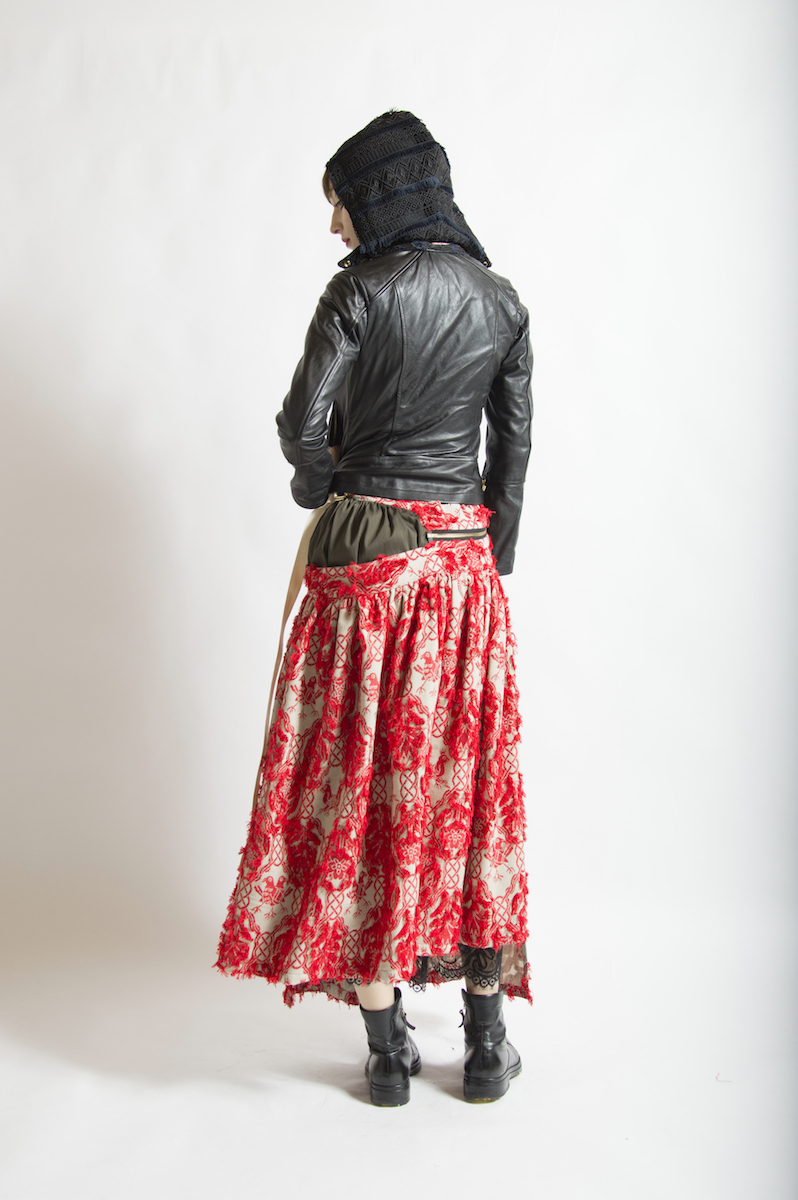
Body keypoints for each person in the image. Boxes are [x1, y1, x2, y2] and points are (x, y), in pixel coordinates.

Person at [215, 110, 533, 1106]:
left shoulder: (357, 290)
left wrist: (329, 492)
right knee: (465, 791)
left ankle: (389, 1051)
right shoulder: (502, 301)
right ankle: (486, 1044)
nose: (335, 225)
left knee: (357, 781)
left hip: (366, 559)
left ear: (385, 196)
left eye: (342, 203)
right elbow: (513, 451)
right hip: (462, 572)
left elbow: (299, 426)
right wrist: (488, 553)